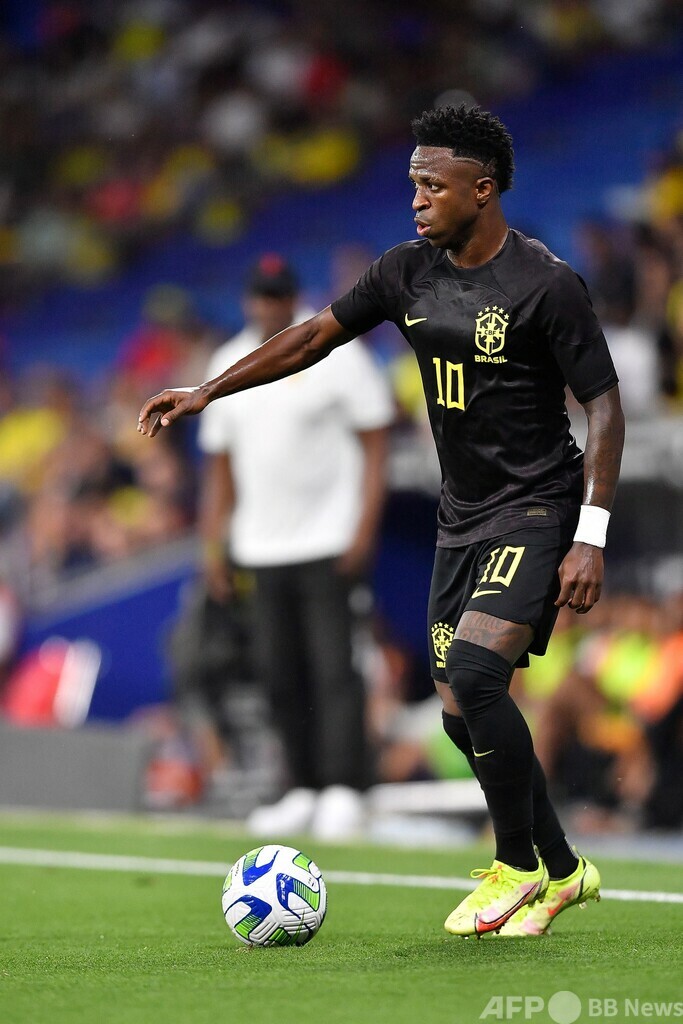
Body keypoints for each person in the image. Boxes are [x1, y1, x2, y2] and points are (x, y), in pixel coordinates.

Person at [138, 105, 625, 938]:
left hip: (537, 505)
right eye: (412, 184)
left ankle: (513, 866)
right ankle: (564, 868)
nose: (417, 199)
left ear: (482, 189)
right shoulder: (405, 272)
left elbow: (604, 409)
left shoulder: (546, 284)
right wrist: (208, 390)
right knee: (456, 710)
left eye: (432, 185)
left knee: (475, 674)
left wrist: (590, 533)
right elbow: (310, 338)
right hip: (459, 517)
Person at [196, 253, 393, 839]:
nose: (268, 305)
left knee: (335, 668)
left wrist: (364, 527)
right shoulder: (226, 363)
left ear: (292, 297)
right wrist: (213, 546)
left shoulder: (336, 352)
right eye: (260, 295)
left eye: (277, 295)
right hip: (259, 545)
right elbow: (219, 469)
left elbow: (376, 444)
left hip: (328, 538)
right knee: (278, 672)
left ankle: (344, 787)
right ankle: (302, 786)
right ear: (247, 300)